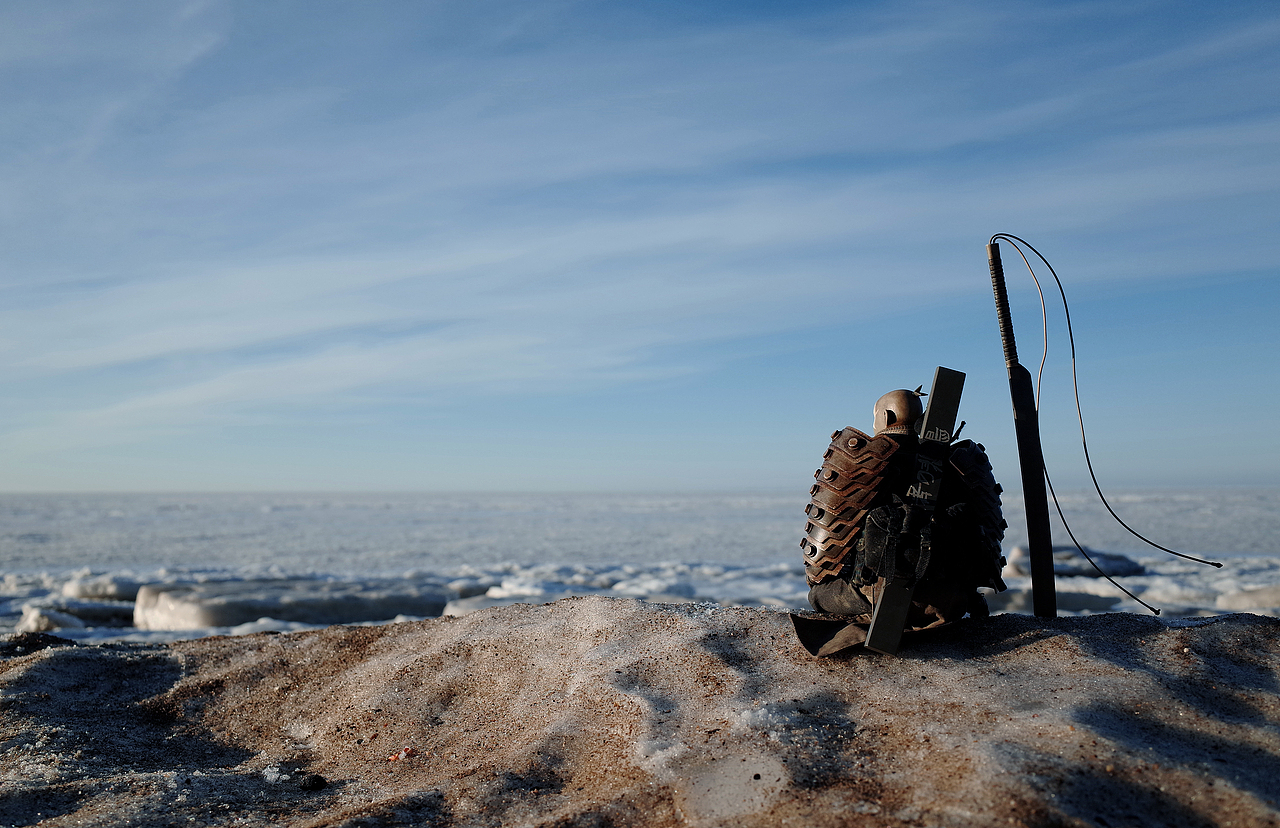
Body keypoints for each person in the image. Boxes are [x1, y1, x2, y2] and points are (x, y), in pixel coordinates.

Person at [794, 388, 1007, 656]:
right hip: (951, 599)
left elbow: (823, 555)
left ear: (885, 416)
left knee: (819, 595)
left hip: (879, 596)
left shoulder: (863, 464)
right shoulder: (957, 464)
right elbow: (987, 537)